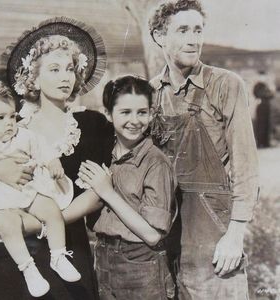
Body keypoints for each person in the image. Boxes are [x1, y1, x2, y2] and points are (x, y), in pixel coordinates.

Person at [0, 17, 114, 299]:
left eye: (70, 69)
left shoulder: (92, 125)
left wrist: (49, 222)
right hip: (16, 252)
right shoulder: (11, 126)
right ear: (34, 77)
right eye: (54, 69)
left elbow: (96, 194)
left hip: (68, 245)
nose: (65, 77)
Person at [148, 0, 259, 298]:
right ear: (159, 36)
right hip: (166, 229)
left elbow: (246, 165)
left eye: (198, 30)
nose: (193, 39)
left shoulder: (225, 84)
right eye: (183, 30)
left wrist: (235, 235)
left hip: (214, 230)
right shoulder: (150, 93)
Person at [0, 80, 80, 297]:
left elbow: (42, 149)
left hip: (25, 192)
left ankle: (58, 256)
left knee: (51, 210)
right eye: (1, 118)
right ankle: (27, 267)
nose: (10, 123)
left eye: (12, 116)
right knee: (7, 224)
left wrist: (52, 162)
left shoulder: (24, 136)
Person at [78, 75, 176, 299]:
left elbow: (152, 235)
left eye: (142, 112)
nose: (135, 120)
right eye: (125, 112)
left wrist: (107, 192)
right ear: (108, 115)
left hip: (140, 263)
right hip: (102, 256)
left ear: (151, 114)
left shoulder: (155, 162)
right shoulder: (102, 154)